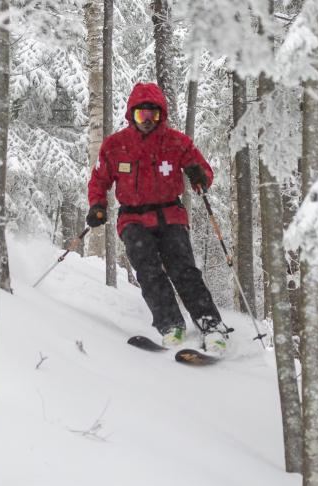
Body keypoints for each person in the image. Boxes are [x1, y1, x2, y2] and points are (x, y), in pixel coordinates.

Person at [86, 82, 230, 354]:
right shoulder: (115, 146)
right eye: (142, 115)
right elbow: (99, 180)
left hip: (170, 215)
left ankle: (211, 326)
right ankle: (170, 324)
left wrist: (200, 177)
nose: (148, 121)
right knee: (149, 270)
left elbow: (202, 170)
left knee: (183, 269)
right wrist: (98, 205)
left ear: (161, 115)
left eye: (153, 115)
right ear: (132, 115)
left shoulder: (176, 142)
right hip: (133, 219)